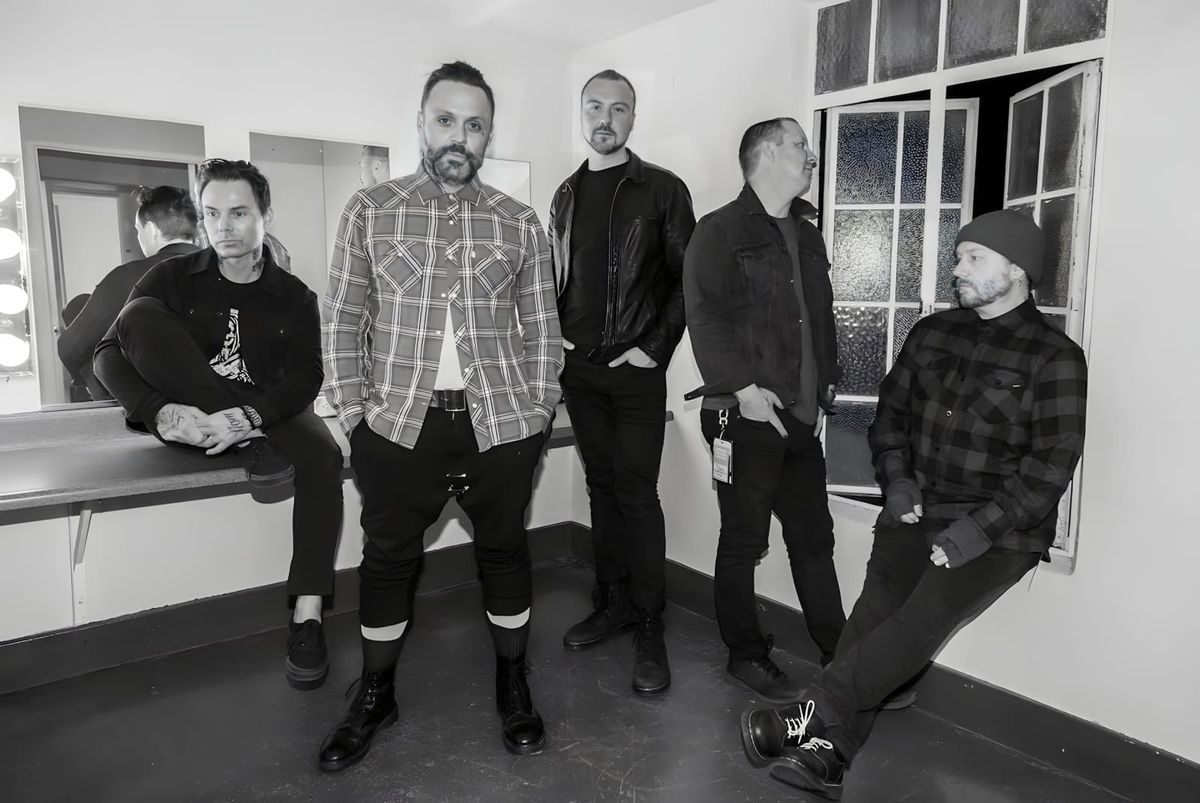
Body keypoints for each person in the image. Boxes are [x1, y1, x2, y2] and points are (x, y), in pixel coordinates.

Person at [740, 210, 1088, 799]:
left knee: (916, 622)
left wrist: (977, 531)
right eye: (958, 257)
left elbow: (1049, 467)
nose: (957, 269)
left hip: (1000, 530)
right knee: (870, 619)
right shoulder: (932, 333)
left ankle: (805, 718)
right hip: (917, 506)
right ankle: (829, 758)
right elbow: (890, 418)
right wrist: (898, 484)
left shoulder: (1055, 357)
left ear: (1018, 270)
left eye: (974, 257)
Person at [318, 60, 562, 770]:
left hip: (502, 427)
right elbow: (343, 320)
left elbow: (542, 327)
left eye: (475, 124)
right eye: (447, 119)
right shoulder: (370, 211)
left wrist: (540, 411)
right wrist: (354, 418)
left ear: (489, 135)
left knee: (505, 553)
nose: (461, 135)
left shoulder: (520, 223)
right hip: (397, 427)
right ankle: (376, 695)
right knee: (387, 561)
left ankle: (513, 682)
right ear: (422, 124)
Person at [93, 159, 344, 694]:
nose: (223, 227)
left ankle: (307, 615)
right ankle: (248, 444)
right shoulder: (170, 276)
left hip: (266, 412)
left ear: (265, 214)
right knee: (136, 316)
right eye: (211, 214)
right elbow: (107, 353)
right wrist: (159, 411)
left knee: (324, 458)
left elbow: (307, 377)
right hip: (193, 417)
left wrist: (249, 418)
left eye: (238, 213)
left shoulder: (296, 296)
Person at [683, 118, 846, 703]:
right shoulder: (719, 231)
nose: (811, 155)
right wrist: (748, 393)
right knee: (743, 541)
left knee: (813, 539)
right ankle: (745, 654)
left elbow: (819, 319)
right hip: (743, 416)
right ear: (769, 154)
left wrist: (824, 388)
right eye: (801, 145)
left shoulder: (808, 235)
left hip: (799, 419)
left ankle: (841, 656)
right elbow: (704, 318)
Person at [549, 68, 695, 695]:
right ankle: (610, 602)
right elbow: (555, 278)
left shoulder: (662, 189)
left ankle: (650, 621)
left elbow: (689, 281)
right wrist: (553, 336)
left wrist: (653, 350)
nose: (605, 119)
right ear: (582, 114)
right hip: (579, 372)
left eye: (618, 108)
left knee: (637, 494)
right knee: (601, 487)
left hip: (636, 372)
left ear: (633, 118)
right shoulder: (564, 195)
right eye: (594, 107)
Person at [58, 185, 198, 400]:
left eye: (138, 230)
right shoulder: (226, 270)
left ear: (151, 229)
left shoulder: (128, 277)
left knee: (79, 310)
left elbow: (71, 347)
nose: (139, 237)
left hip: (147, 400)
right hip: (218, 394)